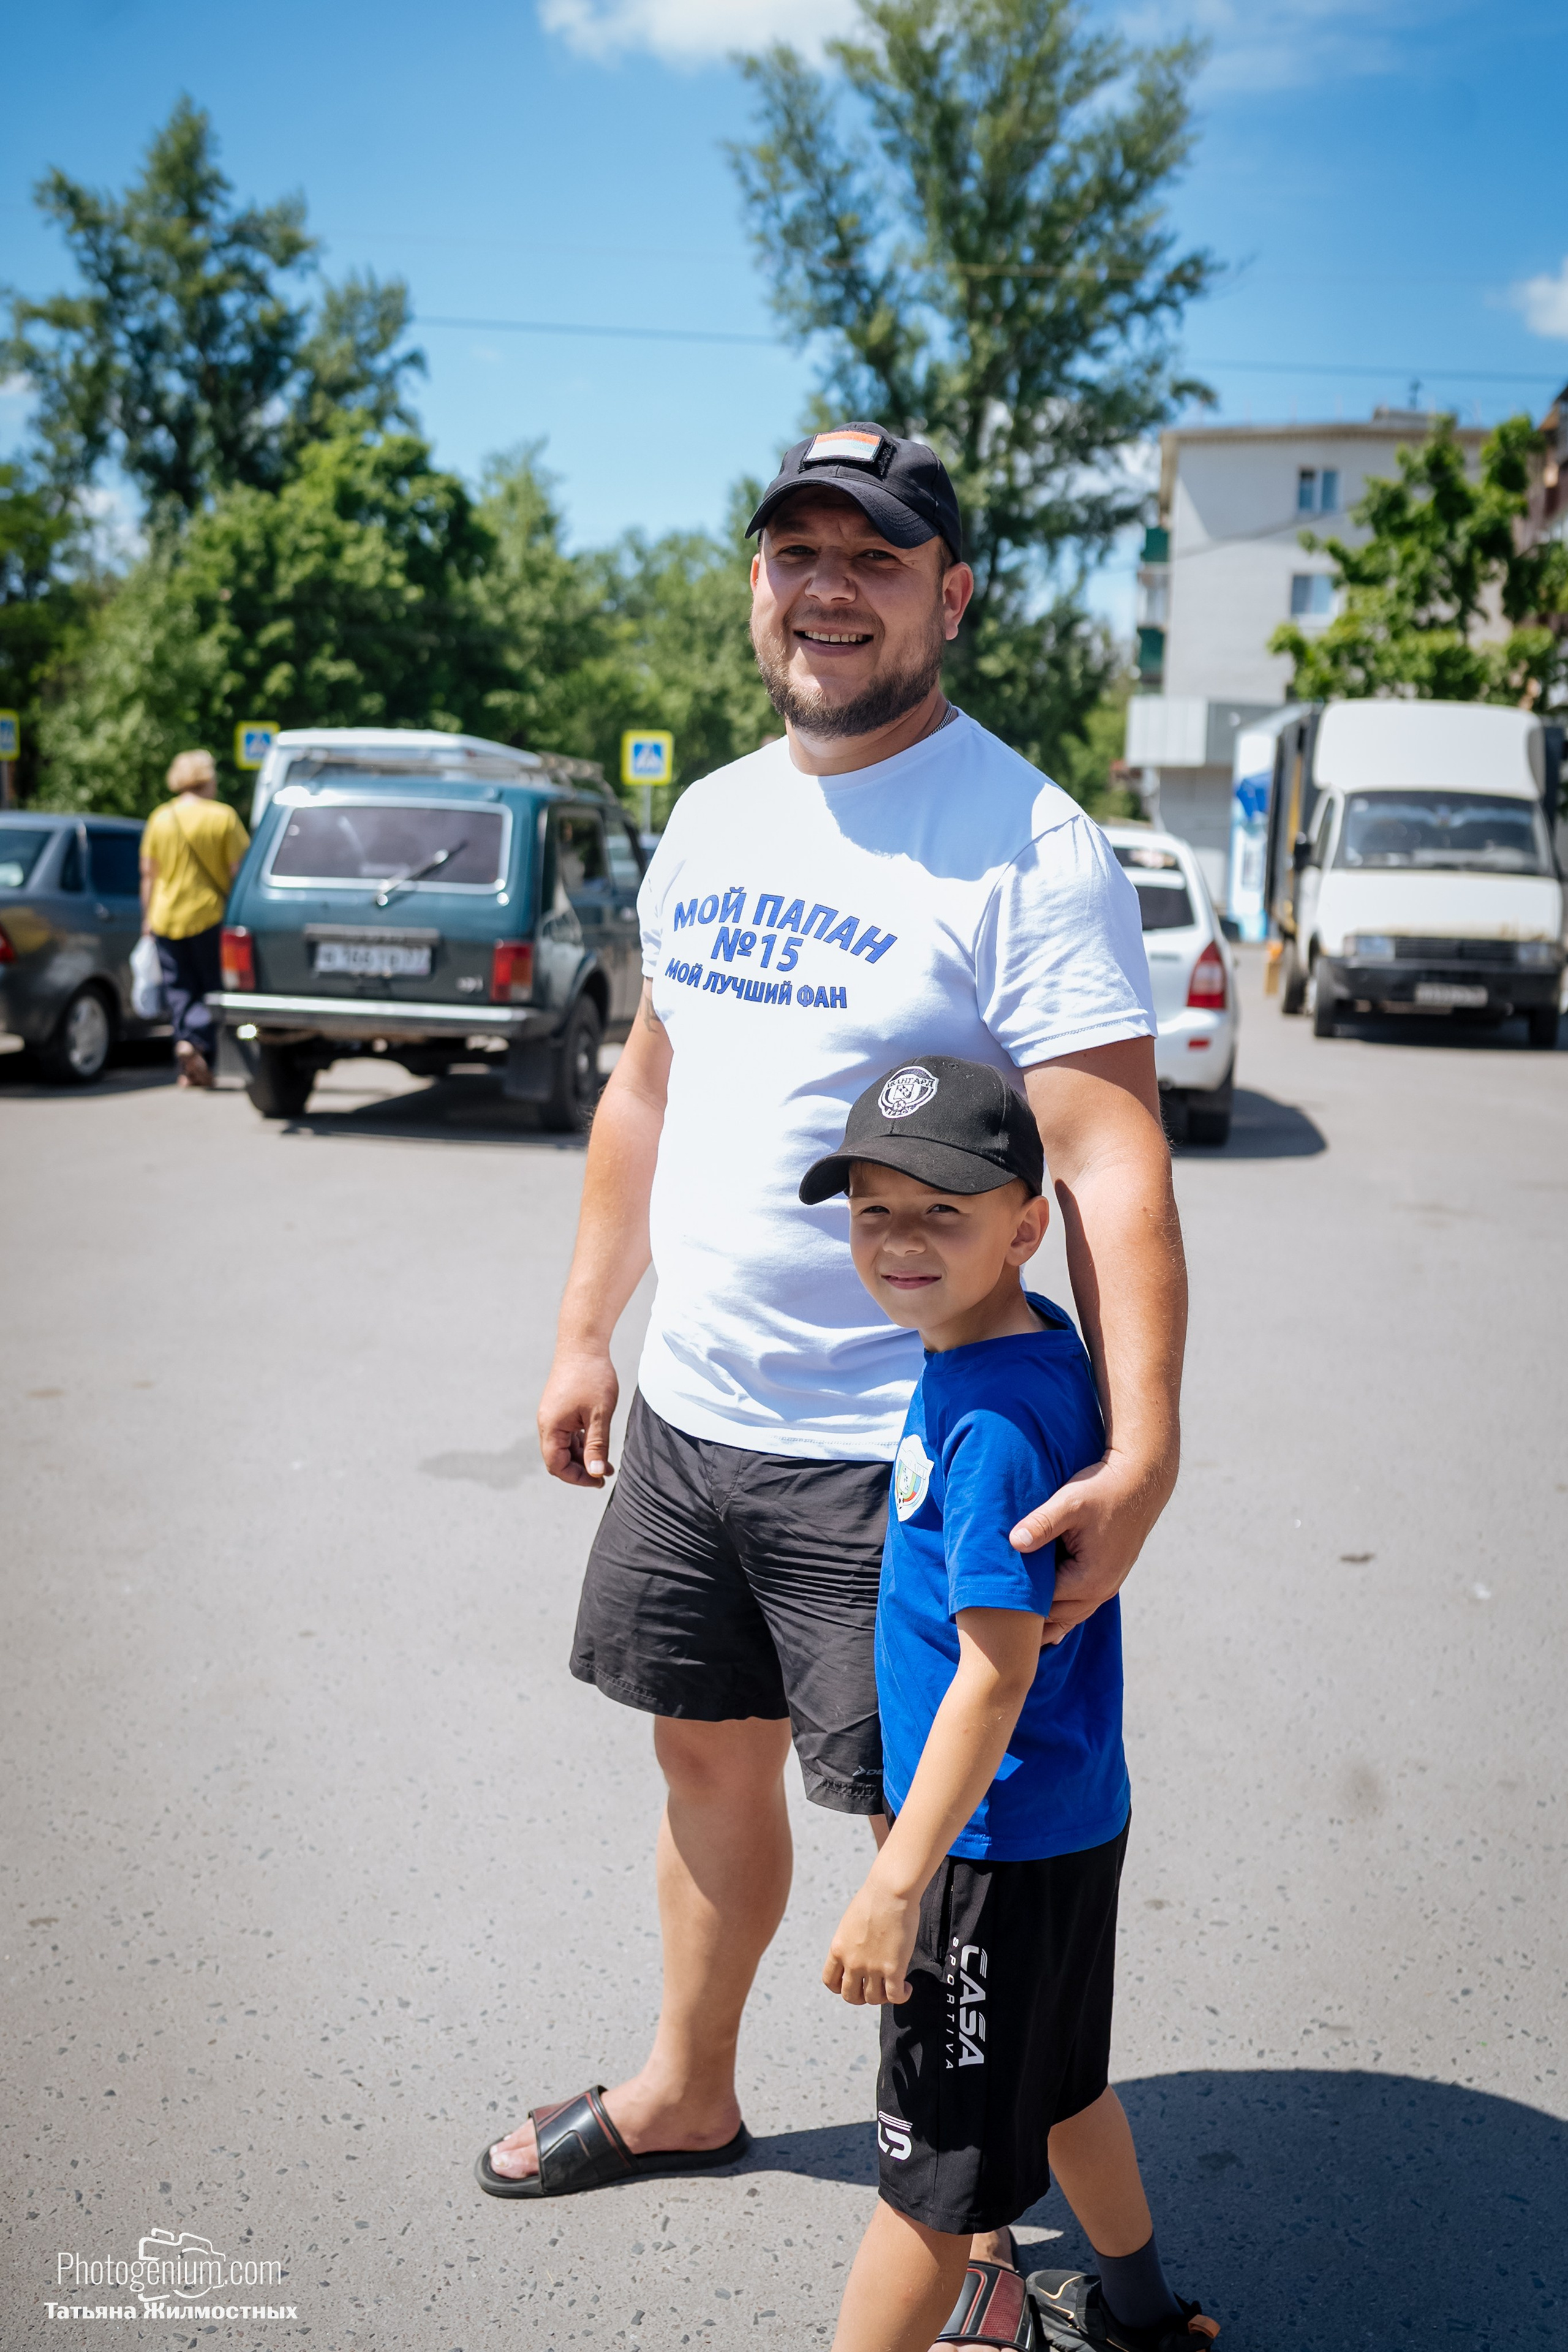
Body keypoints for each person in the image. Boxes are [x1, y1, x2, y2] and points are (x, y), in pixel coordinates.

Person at [478, 426, 1186, 2247]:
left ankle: (969, 2235)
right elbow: (649, 1088)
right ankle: (687, 2084)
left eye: (874, 558)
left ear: (952, 594)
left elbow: (1107, 1155)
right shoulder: (714, 812)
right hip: (696, 1419)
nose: (827, 589)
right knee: (700, 1753)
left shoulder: (1024, 840)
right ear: (755, 583)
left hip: (903, 1454)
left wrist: (1141, 1447)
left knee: (935, 1851)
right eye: (796, 551)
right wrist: (584, 1328)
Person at [808, 1057, 1216, 2352]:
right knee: (1067, 2088)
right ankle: (1142, 2320)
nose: (901, 1241)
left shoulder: (989, 1425)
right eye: (873, 1210)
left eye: (944, 1211)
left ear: (1027, 1225)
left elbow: (996, 1673)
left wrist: (897, 1882)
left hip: (985, 1851)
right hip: (1064, 1818)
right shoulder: (1025, 1341)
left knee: (929, 2185)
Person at [140, 748, 249, 1089]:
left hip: (165, 916)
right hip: (209, 914)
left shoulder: (161, 818)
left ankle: (187, 1054)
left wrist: (147, 918)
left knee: (178, 989)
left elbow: (149, 875)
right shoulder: (223, 817)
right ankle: (201, 1048)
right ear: (207, 779)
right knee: (210, 989)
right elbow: (238, 871)